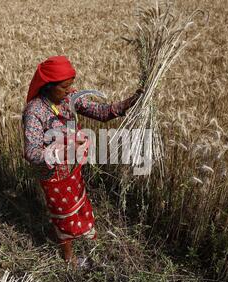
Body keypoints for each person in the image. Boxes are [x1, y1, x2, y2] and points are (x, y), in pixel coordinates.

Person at [22, 55, 142, 264]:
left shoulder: (70, 99)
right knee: (62, 213)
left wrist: (130, 102)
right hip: (53, 174)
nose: (69, 91)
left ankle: (82, 240)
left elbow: (101, 112)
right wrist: (62, 150)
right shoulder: (35, 111)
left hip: (73, 168)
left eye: (71, 86)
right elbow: (31, 152)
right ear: (48, 86)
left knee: (78, 203)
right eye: (64, 87)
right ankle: (68, 258)